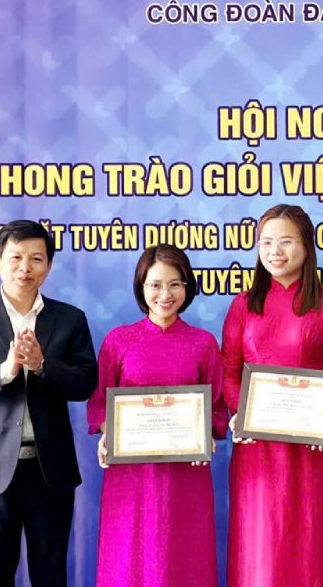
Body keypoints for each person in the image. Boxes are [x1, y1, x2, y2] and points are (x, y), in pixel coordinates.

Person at [0, 219, 98, 587]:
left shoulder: (70, 318)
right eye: (15, 257)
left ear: (49, 265)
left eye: (36, 259)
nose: (25, 268)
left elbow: (86, 384)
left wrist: (42, 365)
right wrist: (5, 372)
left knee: (50, 573)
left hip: (50, 470)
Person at [220, 204, 323, 587]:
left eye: (286, 241)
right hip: (257, 447)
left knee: (313, 542)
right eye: (266, 243)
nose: (275, 251)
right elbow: (230, 372)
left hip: (314, 449)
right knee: (261, 546)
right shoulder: (244, 304)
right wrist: (237, 414)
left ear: (307, 247)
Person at [87, 244, 222, 586]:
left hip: (185, 477)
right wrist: (107, 433)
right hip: (131, 476)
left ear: (188, 287)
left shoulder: (203, 343)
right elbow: (102, 401)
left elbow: (217, 405)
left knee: (184, 557)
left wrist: (206, 434)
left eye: (175, 284)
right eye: (156, 284)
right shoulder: (119, 341)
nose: (165, 294)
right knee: (129, 558)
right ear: (141, 287)